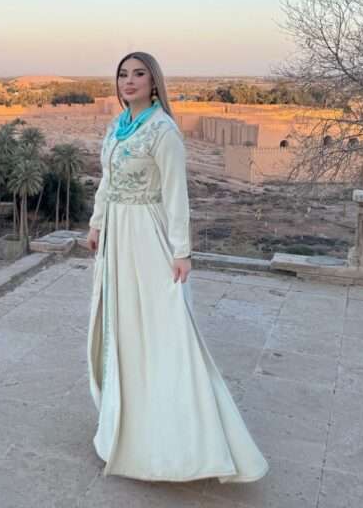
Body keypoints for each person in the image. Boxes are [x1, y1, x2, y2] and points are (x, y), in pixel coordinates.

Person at [86, 51, 269, 483]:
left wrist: (182, 252)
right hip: (117, 236)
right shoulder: (118, 126)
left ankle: (182, 437)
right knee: (122, 327)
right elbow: (107, 180)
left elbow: (175, 195)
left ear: (154, 82)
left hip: (147, 235)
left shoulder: (163, 130)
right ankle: (124, 422)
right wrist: (96, 222)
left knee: (161, 328)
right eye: (123, 74)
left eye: (139, 74)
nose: (129, 81)